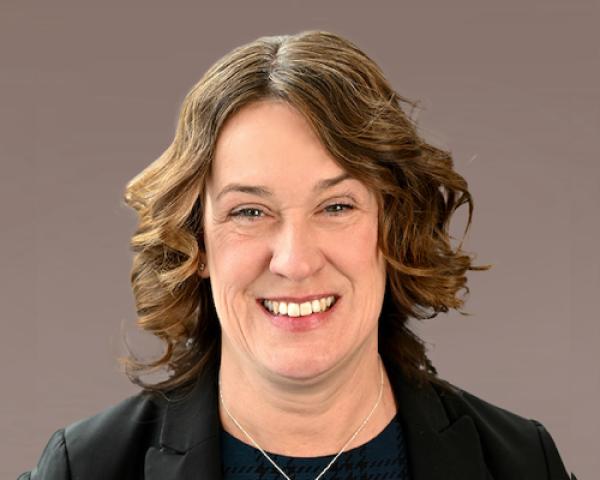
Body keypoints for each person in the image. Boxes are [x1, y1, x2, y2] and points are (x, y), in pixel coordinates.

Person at [20, 30, 575, 480]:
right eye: (249, 211)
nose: (294, 260)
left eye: (336, 207)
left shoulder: (522, 465)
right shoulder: (84, 469)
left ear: (394, 227)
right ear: (196, 241)